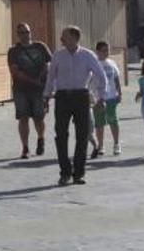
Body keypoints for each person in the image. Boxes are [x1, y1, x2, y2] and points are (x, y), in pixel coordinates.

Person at [44, 26, 107, 186]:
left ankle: (79, 173)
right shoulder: (58, 55)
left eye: (64, 36)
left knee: (82, 135)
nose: (61, 39)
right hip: (63, 96)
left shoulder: (88, 55)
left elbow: (101, 76)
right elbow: (50, 77)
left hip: (81, 96)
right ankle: (65, 172)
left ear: (74, 38)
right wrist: (46, 97)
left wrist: (102, 97)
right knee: (61, 134)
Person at [7, 23, 52, 158]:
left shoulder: (40, 46)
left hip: (39, 90)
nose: (24, 35)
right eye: (21, 33)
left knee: (39, 118)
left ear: (30, 32)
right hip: (21, 89)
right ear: (17, 35)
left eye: (26, 32)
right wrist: (33, 80)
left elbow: (50, 63)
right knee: (23, 117)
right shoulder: (13, 51)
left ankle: (40, 138)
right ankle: (25, 147)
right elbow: (14, 71)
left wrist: (44, 77)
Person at [92, 41, 122, 158]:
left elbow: (116, 78)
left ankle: (116, 144)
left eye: (108, 50)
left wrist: (119, 93)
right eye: (104, 50)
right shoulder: (94, 63)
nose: (107, 52)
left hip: (111, 97)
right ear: (98, 51)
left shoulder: (111, 63)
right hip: (98, 98)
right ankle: (101, 146)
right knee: (99, 123)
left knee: (113, 120)